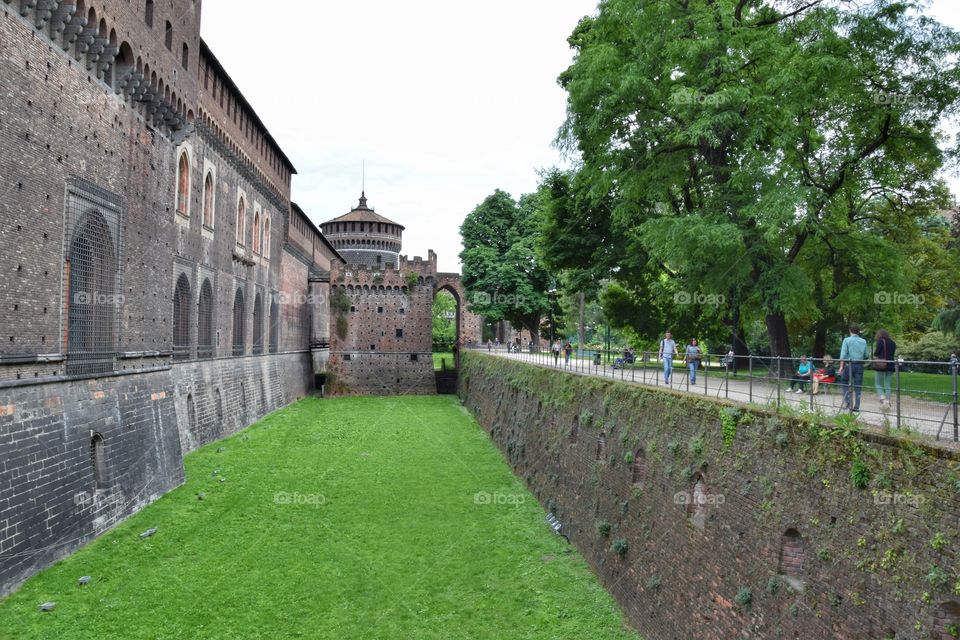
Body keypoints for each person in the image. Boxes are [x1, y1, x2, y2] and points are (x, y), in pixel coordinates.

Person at [840, 324, 868, 412]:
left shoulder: (846, 340)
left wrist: (841, 366)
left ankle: (847, 400)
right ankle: (857, 406)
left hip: (849, 365)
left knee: (844, 381)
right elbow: (866, 355)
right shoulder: (863, 341)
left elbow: (843, 355)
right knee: (858, 386)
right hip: (859, 365)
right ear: (858, 331)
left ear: (850, 330)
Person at [873, 329, 897, 411]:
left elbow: (876, 353)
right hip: (890, 365)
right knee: (888, 385)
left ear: (879, 334)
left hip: (881, 365)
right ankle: (887, 401)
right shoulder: (893, 343)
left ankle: (883, 400)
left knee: (878, 383)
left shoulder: (880, 341)